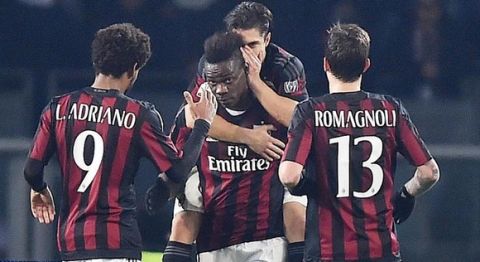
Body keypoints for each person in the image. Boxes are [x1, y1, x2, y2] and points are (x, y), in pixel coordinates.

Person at [23, 23, 217, 261]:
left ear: (97, 61)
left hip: (72, 244)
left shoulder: (58, 108)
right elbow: (176, 171)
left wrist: (39, 188)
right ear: (135, 67)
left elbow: (32, 170)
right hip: (116, 243)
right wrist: (202, 125)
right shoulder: (138, 115)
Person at [153, 2, 309, 261]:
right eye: (239, 45)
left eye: (252, 45)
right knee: (191, 192)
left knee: (294, 197)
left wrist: (255, 82)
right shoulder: (214, 64)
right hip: (224, 153)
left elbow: (300, 119)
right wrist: (248, 137)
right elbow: (195, 116)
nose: (245, 54)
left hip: (278, 160)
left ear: (267, 39)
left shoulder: (285, 66)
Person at [278, 23, 440, 261]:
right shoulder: (390, 109)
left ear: (326, 64)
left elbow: (289, 175)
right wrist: (406, 194)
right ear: (366, 65)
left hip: (327, 252)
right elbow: (429, 172)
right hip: (380, 250)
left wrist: (303, 186)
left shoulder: (311, 111)